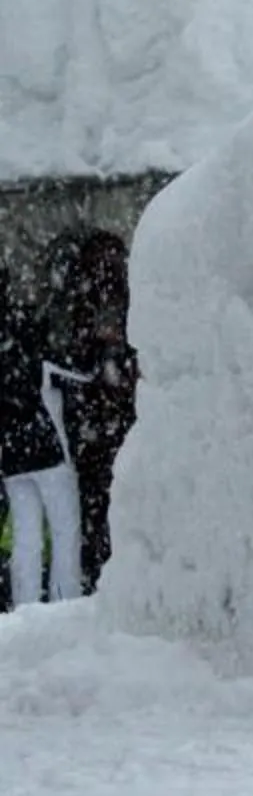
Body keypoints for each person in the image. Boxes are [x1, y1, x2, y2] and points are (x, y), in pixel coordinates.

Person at [54, 233, 137, 592]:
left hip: (100, 424)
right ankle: (108, 571)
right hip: (109, 423)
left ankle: (103, 572)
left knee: (100, 504)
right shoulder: (110, 300)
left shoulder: (83, 303)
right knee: (108, 502)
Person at [0, 265, 81, 607]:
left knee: (25, 535)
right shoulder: (25, 329)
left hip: (9, 454)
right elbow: (80, 372)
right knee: (65, 529)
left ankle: (26, 605)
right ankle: (67, 601)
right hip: (46, 449)